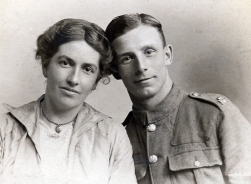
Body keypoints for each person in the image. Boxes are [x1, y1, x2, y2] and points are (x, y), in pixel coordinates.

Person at [105, 13, 251, 184]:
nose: (141, 67)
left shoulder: (216, 115)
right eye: (127, 58)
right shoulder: (119, 139)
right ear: (115, 70)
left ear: (167, 55)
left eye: (149, 52)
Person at [0, 18, 137, 184]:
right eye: (65, 63)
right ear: (45, 65)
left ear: (95, 81)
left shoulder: (112, 136)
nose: (74, 79)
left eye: (87, 69)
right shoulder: (5, 130)